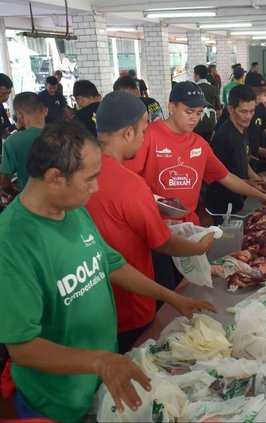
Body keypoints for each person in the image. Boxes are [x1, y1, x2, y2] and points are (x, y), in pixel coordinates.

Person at [0, 120, 216, 422]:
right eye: (89, 179)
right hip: (56, 402)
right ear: (53, 178)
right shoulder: (13, 242)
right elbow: (22, 347)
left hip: (103, 383)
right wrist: (99, 361)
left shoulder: (72, 210)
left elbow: (111, 264)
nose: (96, 187)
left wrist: (172, 298)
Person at [86, 91, 216, 353]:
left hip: (92, 306)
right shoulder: (131, 185)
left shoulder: (81, 172)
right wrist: (199, 247)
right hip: (131, 305)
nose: (146, 137)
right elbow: (162, 241)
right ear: (127, 133)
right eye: (144, 131)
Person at [123, 81, 266, 286]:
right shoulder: (148, 136)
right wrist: (154, 216)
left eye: (199, 112)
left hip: (188, 229)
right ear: (172, 108)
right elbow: (128, 182)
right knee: (165, 287)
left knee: (189, 285)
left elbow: (226, 177)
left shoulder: (199, 144)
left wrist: (263, 196)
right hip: (156, 231)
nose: (194, 118)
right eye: (189, 111)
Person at [206, 85, 260, 217]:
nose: (248, 116)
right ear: (230, 109)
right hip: (222, 205)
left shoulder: (242, 127)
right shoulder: (225, 137)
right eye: (243, 112)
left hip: (237, 198)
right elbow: (217, 176)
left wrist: (256, 178)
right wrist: (248, 184)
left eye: (252, 111)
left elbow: (243, 159)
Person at [0, 92, 47, 195]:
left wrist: (15, 194)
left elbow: (3, 182)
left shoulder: (13, 142)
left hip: (30, 202)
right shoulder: (63, 136)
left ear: (20, 115)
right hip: (63, 202)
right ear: (45, 111)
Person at [193, 64, 221, 143]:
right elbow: (218, 109)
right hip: (210, 122)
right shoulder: (213, 88)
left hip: (197, 123)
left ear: (197, 75)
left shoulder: (193, 89)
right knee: (208, 145)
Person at [0, 73, 13, 139]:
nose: (7, 97)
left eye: (9, 93)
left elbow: (4, 132)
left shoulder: (1, 107)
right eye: (4, 93)